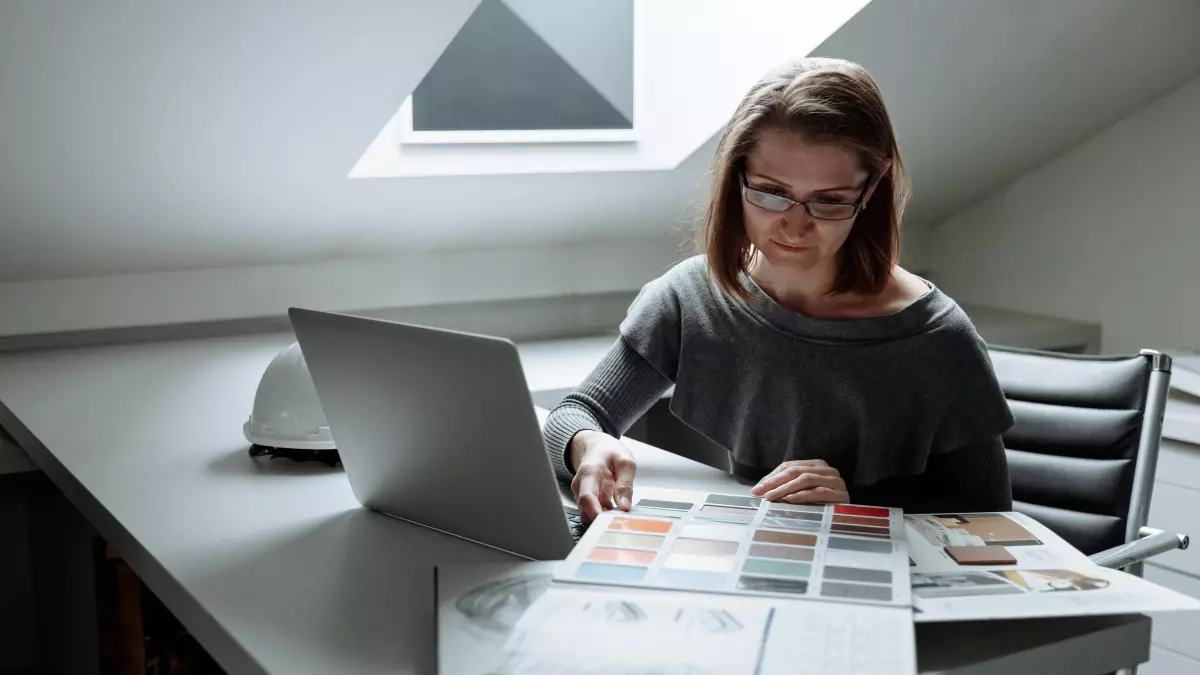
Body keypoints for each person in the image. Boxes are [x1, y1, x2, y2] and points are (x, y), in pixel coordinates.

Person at [543, 57, 1015, 523]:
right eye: (770, 192)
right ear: (737, 176)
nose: (794, 225)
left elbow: (991, 517)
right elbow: (577, 412)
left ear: (871, 188)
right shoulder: (694, 297)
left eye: (829, 201)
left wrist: (856, 511)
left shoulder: (937, 337)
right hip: (754, 570)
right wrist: (590, 444)